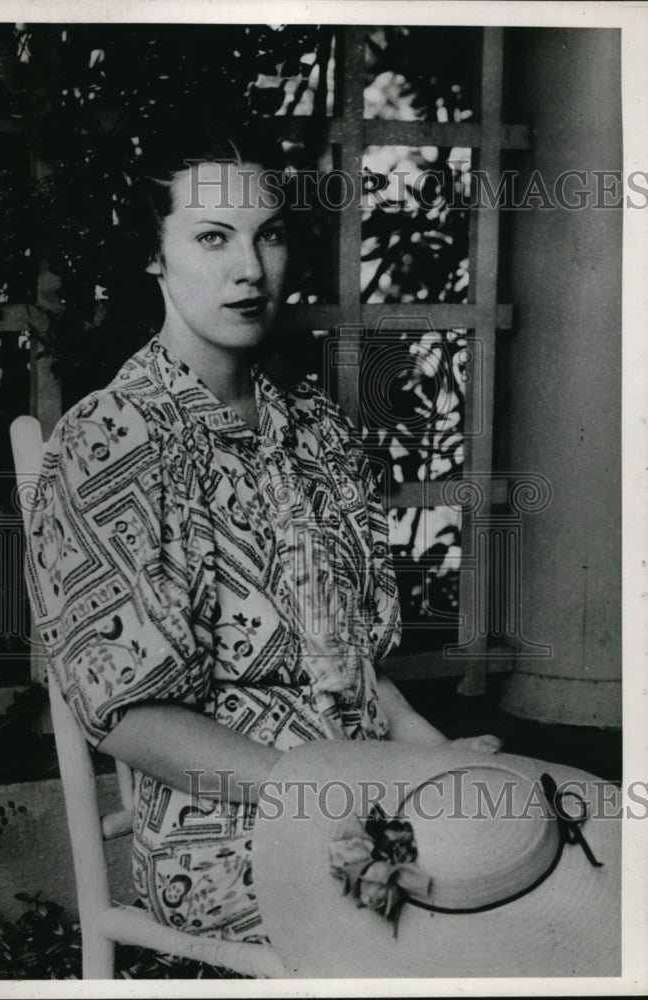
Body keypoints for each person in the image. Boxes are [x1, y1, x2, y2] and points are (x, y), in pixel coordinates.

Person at [25, 118, 501, 945]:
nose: (250, 269)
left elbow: (350, 670)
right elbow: (131, 718)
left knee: (561, 837)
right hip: (221, 833)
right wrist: (328, 792)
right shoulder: (111, 440)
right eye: (213, 238)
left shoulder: (319, 432)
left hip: (365, 785)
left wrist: (439, 758)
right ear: (154, 255)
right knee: (475, 907)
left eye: (268, 236)